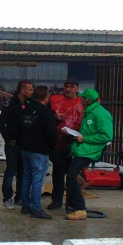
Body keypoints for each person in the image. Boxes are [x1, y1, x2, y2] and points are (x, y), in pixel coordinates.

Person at [65, 89, 113, 220]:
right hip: (84, 149)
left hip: (89, 150)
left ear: (87, 100)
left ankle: (80, 208)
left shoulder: (100, 113)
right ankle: (75, 206)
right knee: (71, 176)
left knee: (71, 176)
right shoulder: (90, 112)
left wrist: (85, 139)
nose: (80, 100)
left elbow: (107, 135)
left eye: (82, 98)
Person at [18, 85, 57, 219]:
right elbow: (52, 133)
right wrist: (51, 147)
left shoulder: (25, 109)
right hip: (39, 150)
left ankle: (25, 205)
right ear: (46, 97)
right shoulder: (46, 112)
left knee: (27, 176)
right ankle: (36, 208)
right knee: (37, 180)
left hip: (25, 148)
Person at [48, 77, 84, 210]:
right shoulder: (55, 100)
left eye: (71, 86)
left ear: (77, 88)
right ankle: (56, 200)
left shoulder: (82, 101)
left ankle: (71, 201)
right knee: (58, 173)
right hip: (58, 141)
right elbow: (45, 116)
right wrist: (55, 117)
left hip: (75, 142)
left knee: (71, 174)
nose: (68, 89)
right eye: (66, 86)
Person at [0, 80, 33, 209]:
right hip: (13, 143)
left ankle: (20, 197)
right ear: (22, 91)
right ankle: (7, 197)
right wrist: (8, 139)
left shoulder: (29, 103)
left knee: (23, 171)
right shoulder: (10, 105)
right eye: (30, 89)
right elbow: (1, 123)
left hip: (24, 143)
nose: (31, 92)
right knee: (10, 170)